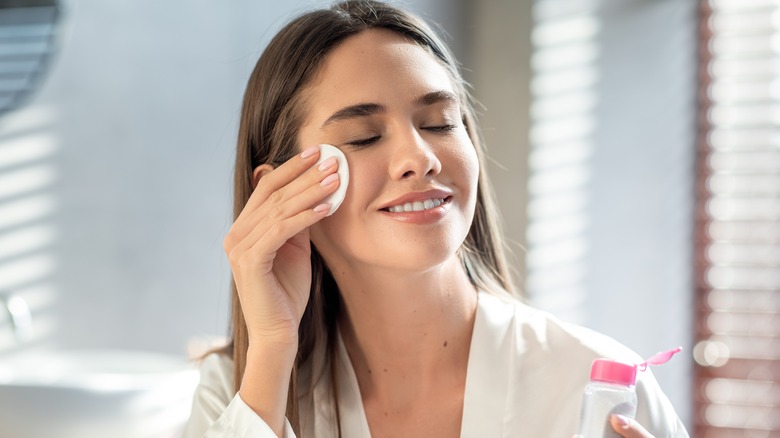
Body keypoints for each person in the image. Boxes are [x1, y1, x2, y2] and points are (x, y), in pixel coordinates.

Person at [183, 1, 689, 437]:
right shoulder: (237, 390)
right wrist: (271, 350)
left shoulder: (596, 386)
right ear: (280, 192)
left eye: (439, 123)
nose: (419, 156)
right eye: (363, 137)